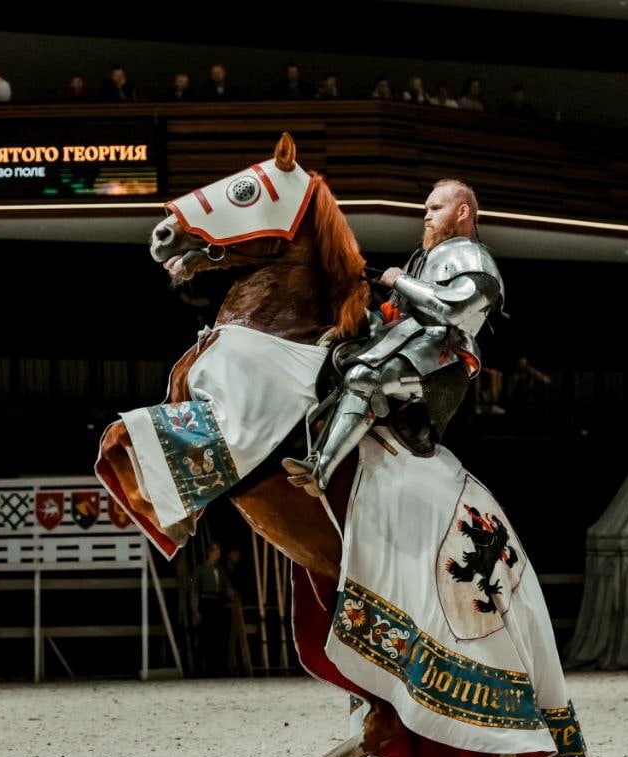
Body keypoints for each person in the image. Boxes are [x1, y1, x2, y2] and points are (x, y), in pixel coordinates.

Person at [283, 179, 503, 497]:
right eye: (426, 209)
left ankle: (320, 471)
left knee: (364, 376)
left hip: (444, 358)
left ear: (463, 211)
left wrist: (401, 280)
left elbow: (452, 308)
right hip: (407, 344)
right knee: (335, 356)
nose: (426, 215)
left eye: (436, 208)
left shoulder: (476, 259)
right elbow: (394, 319)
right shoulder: (422, 258)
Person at [190, 541, 238, 677]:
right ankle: (199, 670)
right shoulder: (200, 570)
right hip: (206, 603)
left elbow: (227, 586)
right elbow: (194, 591)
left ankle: (216, 669)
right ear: (209, 553)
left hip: (217, 603)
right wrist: (195, 610)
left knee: (218, 636)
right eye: (215, 552)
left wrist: (234, 595)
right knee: (204, 636)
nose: (217, 555)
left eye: (219, 552)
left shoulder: (220, 571)